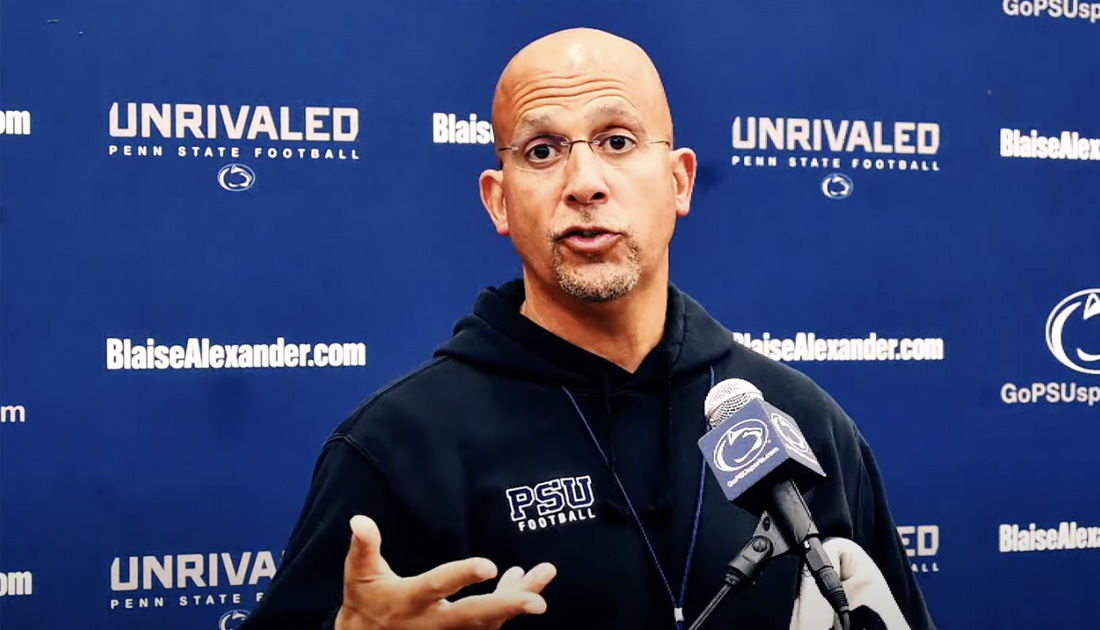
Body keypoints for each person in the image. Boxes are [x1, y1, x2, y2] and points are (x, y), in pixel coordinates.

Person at [240, 27, 936, 630]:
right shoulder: (395, 448)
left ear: (680, 182)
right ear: (499, 200)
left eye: (617, 140)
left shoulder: (803, 423)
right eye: (542, 151)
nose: (584, 181)